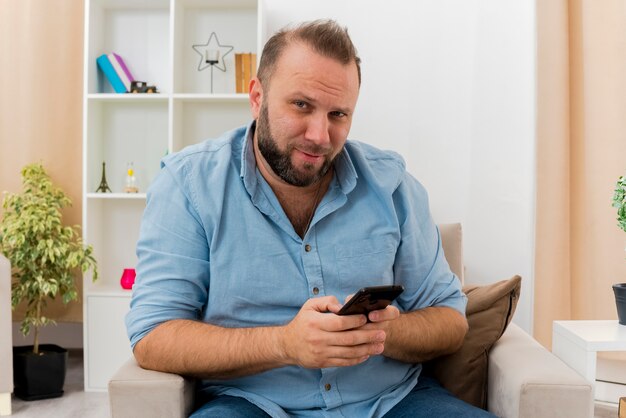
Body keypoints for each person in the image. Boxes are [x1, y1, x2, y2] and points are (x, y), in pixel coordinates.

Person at [126, 20, 496, 418]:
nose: (320, 135)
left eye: (338, 114)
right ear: (257, 97)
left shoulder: (393, 186)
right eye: (301, 105)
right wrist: (284, 344)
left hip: (393, 401)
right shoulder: (189, 185)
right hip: (251, 404)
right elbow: (152, 335)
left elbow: (450, 320)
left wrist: (383, 332)